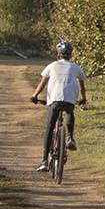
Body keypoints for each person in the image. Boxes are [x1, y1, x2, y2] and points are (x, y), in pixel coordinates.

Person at [31, 39, 87, 171]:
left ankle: (44, 160)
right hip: (69, 100)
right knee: (69, 112)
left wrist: (34, 96)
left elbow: (42, 83)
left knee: (50, 127)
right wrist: (84, 99)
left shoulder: (51, 66)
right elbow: (82, 86)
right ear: (70, 55)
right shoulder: (75, 67)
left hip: (54, 100)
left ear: (58, 54)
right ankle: (70, 138)